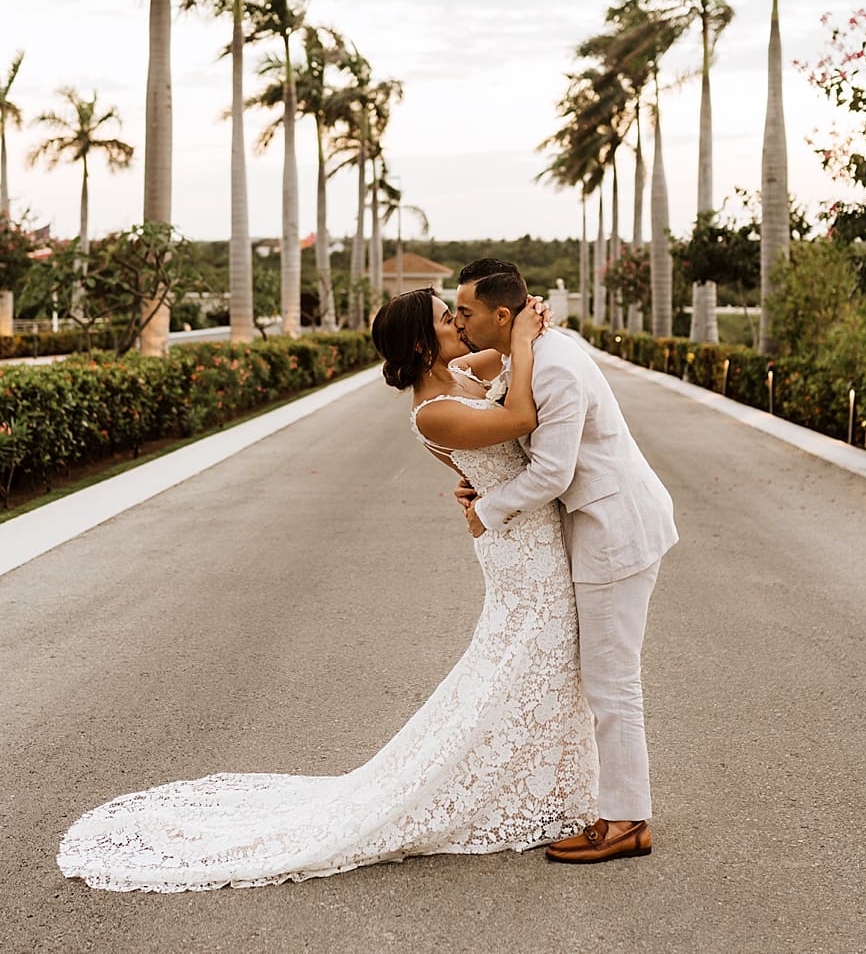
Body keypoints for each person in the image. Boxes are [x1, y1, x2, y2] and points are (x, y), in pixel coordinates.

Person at [58, 286, 603, 891]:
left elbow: (501, 357)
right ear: (423, 344)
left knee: (534, 664)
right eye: (449, 318)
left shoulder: (458, 369)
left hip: (519, 528)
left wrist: (521, 328)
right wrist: (524, 339)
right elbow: (521, 418)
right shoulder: (433, 409)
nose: (460, 323)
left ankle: (550, 778)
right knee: (531, 660)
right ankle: (528, 785)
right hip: (518, 548)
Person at [450, 257, 677, 865]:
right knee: (606, 676)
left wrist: (488, 508)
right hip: (600, 523)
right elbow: (454, 368)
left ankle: (627, 821)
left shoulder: (553, 369)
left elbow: (554, 470)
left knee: (612, 679)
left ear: (503, 313)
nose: (457, 321)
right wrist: (519, 338)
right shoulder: (535, 350)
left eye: (465, 311)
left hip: (615, 529)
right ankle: (622, 809)